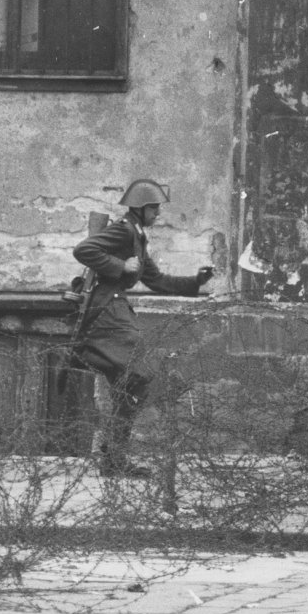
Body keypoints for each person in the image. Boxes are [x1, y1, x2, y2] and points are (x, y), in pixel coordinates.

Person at [72, 179, 214, 477]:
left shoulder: (137, 237)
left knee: (130, 384)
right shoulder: (123, 231)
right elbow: (84, 250)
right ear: (141, 207)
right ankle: (113, 457)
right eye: (155, 208)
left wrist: (196, 282)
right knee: (136, 379)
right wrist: (119, 266)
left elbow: (157, 280)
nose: (158, 214)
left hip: (115, 312)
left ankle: (113, 458)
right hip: (107, 314)